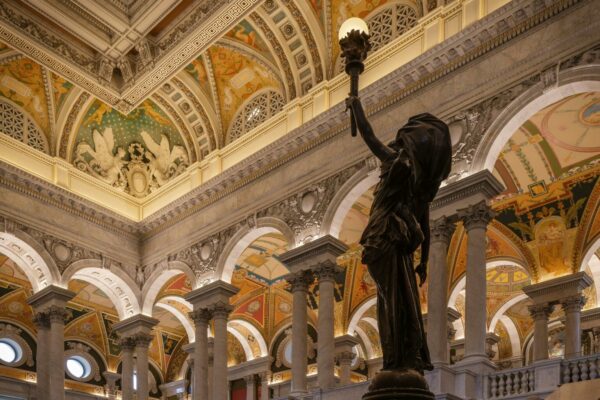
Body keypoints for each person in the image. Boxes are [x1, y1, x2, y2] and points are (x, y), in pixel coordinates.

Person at [345, 95, 452, 373]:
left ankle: (397, 357)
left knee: (393, 300)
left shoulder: (398, 165)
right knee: (401, 300)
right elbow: (425, 229)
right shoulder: (418, 188)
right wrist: (424, 261)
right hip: (396, 243)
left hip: (384, 238)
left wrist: (357, 107)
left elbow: (370, 138)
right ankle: (403, 355)